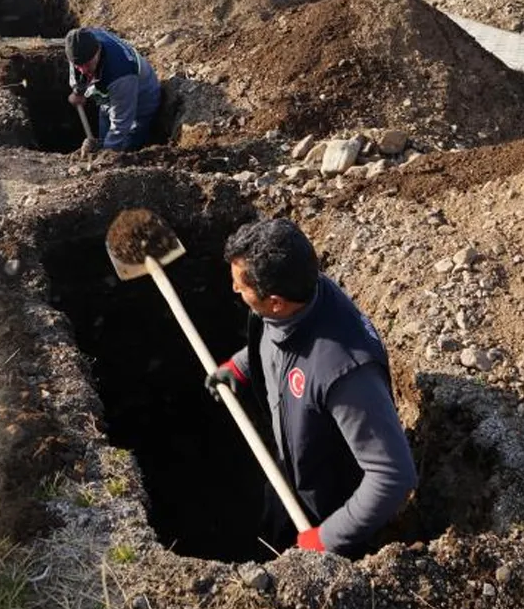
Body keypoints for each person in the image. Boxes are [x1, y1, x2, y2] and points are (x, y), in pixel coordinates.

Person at [205, 218, 417, 557]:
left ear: (274, 301)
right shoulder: (298, 293)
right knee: (272, 531)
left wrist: (328, 537)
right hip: (289, 467)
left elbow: (392, 475)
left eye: (239, 287)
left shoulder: (347, 373)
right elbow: (276, 336)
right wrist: (241, 366)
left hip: (327, 503)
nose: (234, 291)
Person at [64, 27, 161, 156]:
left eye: (87, 65)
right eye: (78, 66)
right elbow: (78, 69)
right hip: (109, 96)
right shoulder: (80, 46)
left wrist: (106, 154)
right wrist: (78, 91)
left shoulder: (121, 73)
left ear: (97, 51)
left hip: (141, 100)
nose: (82, 70)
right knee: (105, 132)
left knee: (126, 145)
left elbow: (121, 124)